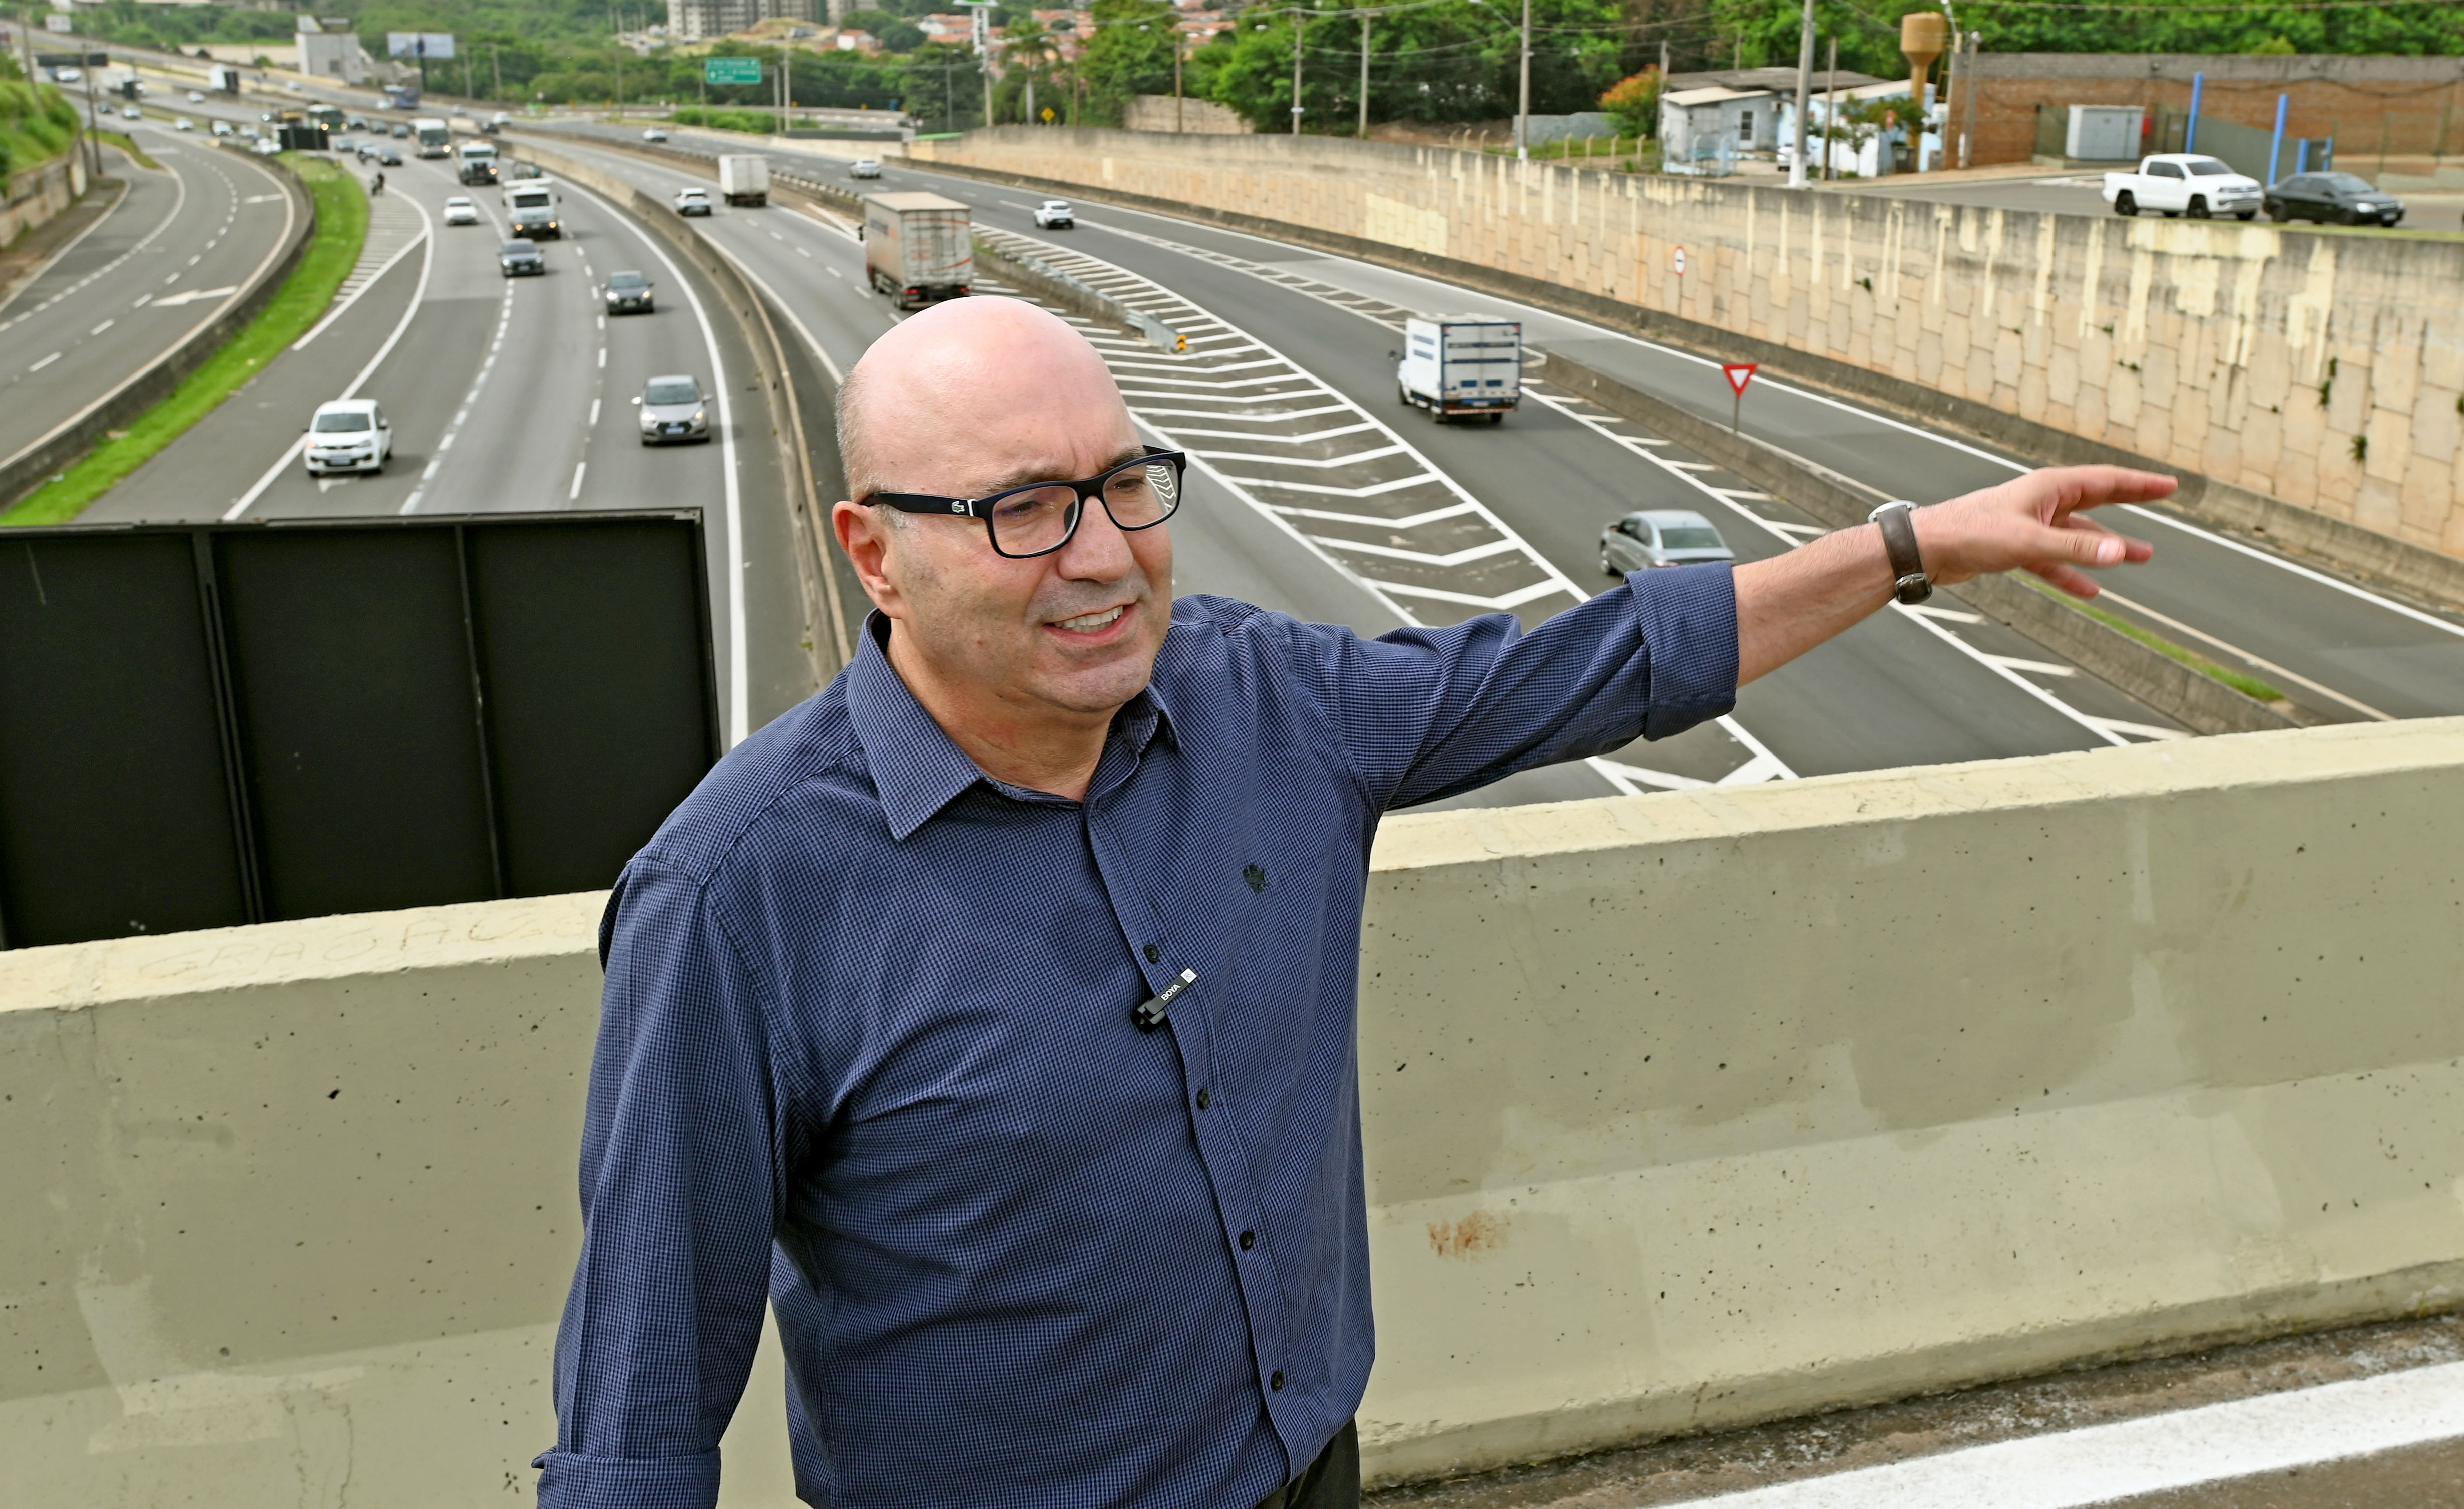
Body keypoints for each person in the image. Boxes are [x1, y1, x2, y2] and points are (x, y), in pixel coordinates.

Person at [539, 297, 2175, 1509]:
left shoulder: (1267, 701)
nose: (1104, 556)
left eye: (1124, 484)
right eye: (1021, 511)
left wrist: (1901, 547)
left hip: (1309, 1469)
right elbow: (645, 1376)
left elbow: (1595, 668)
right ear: (873, 553)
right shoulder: (741, 891)